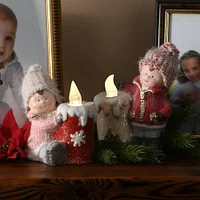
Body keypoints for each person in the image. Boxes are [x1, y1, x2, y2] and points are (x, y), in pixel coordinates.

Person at [123, 42, 179, 149]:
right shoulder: (137, 87)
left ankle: (152, 142)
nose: (147, 76)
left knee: (152, 136)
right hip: (135, 120)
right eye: (145, 73)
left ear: (164, 80)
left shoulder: (160, 96)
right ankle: (136, 141)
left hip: (153, 124)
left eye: (152, 76)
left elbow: (166, 107)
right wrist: (123, 87)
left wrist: (161, 115)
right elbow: (131, 90)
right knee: (136, 135)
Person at [0, 3, 26, 126]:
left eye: (8, 38)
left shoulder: (13, 67)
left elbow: (22, 97)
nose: (2, 44)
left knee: (9, 123)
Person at [170, 50, 200, 134]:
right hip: (192, 131)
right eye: (187, 70)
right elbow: (172, 100)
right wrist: (185, 100)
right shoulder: (185, 86)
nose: (192, 73)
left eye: (195, 68)